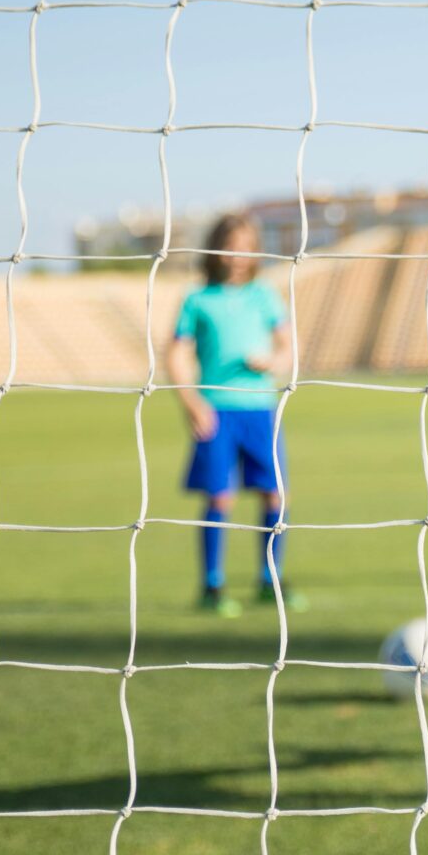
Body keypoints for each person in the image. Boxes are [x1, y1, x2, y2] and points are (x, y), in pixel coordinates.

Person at [167, 214, 305, 617]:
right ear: (215, 248)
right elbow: (175, 353)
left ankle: (270, 580)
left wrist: (273, 361)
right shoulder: (197, 299)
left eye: (246, 246)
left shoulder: (264, 295)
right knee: (220, 496)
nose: (238, 255)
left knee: (275, 494)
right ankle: (212, 585)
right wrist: (191, 401)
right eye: (230, 246)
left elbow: (287, 347)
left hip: (260, 409)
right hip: (216, 409)